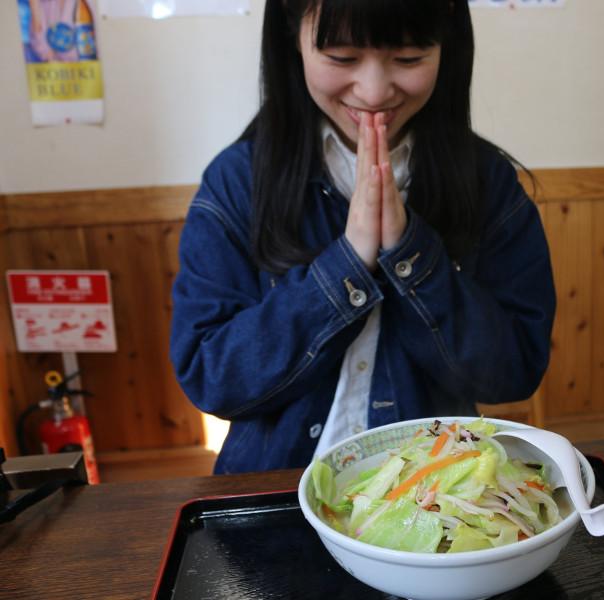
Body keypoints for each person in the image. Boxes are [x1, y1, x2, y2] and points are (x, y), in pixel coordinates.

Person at [170, 0, 556, 474]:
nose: (374, 92)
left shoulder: (488, 184)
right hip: (273, 490)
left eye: (409, 58)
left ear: (446, 46)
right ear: (293, 37)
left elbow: (515, 373)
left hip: (432, 493)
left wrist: (410, 253)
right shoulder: (237, 181)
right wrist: (348, 264)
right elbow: (210, 378)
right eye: (342, 57)